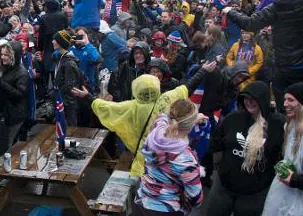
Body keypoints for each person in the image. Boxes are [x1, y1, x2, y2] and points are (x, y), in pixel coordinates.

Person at [72, 61, 216, 176]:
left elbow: (104, 107)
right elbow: (188, 86)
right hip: (165, 158)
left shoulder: (130, 107)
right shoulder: (167, 99)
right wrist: (203, 70)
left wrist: (87, 97)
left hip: (142, 160)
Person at [223, 0, 303, 110]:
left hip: (283, 67)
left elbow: (249, 23)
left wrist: (230, 11)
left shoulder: (275, 8)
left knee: (284, 109)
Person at [206, 81, 286, 216]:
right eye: (246, 98)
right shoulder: (233, 119)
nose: (249, 102)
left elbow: (285, 156)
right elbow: (215, 145)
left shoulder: (278, 124)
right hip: (223, 188)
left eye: (253, 99)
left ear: (263, 99)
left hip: (254, 193)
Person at [134, 99, 206, 216]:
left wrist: (192, 119)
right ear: (190, 126)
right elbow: (196, 199)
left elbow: (163, 116)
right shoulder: (186, 159)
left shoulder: (156, 131)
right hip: (167, 212)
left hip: (141, 204)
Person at [262, 82, 303, 216]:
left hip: (301, 199)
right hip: (281, 191)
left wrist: (294, 180)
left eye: (291, 100)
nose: (285, 104)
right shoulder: (289, 125)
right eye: (285, 100)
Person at [0, 41, 28, 150]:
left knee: (7, 147)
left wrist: (2, 83)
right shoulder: (6, 67)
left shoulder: (21, 72)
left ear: (14, 56)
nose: (3, 57)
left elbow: (20, 94)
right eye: (2, 54)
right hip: (5, 113)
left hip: (14, 115)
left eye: (6, 55)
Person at [52, 29, 84, 126]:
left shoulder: (69, 63)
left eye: (55, 39)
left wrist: (66, 108)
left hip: (67, 107)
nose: (52, 41)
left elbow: (71, 88)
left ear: (60, 43)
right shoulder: (62, 58)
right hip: (62, 103)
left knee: (70, 132)